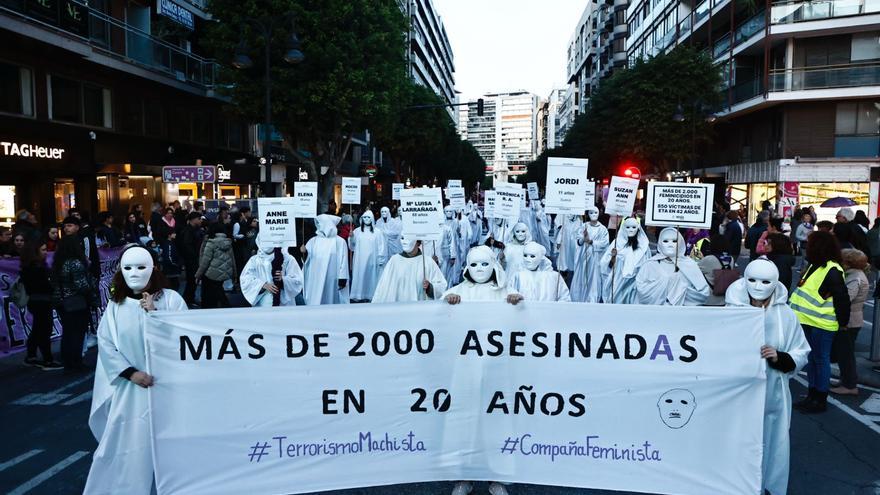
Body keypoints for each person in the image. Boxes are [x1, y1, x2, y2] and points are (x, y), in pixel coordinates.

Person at [85, 245, 187, 495]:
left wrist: (155, 314)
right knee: (126, 447)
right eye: (128, 268)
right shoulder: (115, 306)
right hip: (130, 392)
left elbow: (183, 339)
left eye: (141, 267)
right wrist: (131, 373)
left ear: (153, 269)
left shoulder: (171, 300)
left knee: (171, 448)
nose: (134, 274)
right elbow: (107, 344)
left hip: (168, 388)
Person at [725, 259, 810, 495]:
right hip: (738, 391)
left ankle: (767, 485)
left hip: (772, 392)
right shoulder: (730, 312)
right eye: (753, 280)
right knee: (736, 439)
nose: (759, 287)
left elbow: (801, 350)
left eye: (765, 282)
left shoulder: (786, 315)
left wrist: (780, 357)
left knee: (771, 441)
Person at [444, 245, 522, 495]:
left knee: (496, 421)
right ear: (467, 266)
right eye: (474, 264)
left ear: (493, 265)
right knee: (464, 421)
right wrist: (448, 303)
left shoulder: (507, 292)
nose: (479, 270)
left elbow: (525, 321)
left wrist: (516, 304)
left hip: (497, 369)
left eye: (484, 264)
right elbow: (439, 318)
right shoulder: (457, 291)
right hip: (465, 369)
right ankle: (463, 476)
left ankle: (497, 477)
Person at [791, 231, 850, 413]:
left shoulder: (832, 270)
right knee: (812, 359)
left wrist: (843, 322)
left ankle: (820, 398)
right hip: (807, 321)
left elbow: (842, 298)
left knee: (820, 359)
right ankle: (812, 394)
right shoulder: (815, 265)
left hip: (822, 323)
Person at [52, 235, 97, 371]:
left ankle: (68, 361)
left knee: (67, 333)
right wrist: (91, 288)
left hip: (61, 301)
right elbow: (81, 285)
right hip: (76, 301)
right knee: (78, 332)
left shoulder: (58, 262)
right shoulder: (76, 263)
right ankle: (76, 361)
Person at [636, 227, 710, 306]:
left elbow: (703, 293)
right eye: (665, 241)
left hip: (681, 315)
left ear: (680, 243)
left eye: (674, 241)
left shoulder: (690, 265)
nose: (670, 244)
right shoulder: (649, 265)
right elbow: (641, 290)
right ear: (660, 243)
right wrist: (663, 284)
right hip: (655, 314)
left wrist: (681, 290)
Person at [830, 248, 869, 396]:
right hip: (852, 319)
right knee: (843, 353)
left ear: (848, 262)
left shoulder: (855, 277)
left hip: (849, 321)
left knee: (845, 354)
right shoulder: (855, 275)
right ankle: (846, 380)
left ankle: (850, 385)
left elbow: (846, 298)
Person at [20, 240, 61, 370]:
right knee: (44, 330)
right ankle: (47, 359)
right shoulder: (36, 269)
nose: (46, 253)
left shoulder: (29, 267)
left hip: (36, 301)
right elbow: (43, 286)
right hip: (42, 301)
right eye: (43, 250)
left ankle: (31, 355)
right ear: (35, 252)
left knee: (38, 328)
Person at [372, 234, 447, 303]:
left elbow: (441, 287)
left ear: (418, 243)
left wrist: (429, 287)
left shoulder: (427, 262)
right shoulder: (394, 261)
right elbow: (383, 288)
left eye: (409, 238)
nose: (405, 241)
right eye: (403, 238)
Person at [240, 235, 304, 307]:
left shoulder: (287, 258)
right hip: (263, 304)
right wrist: (262, 285)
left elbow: (297, 280)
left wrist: (283, 280)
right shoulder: (254, 260)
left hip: (284, 304)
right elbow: (245, 279)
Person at [301, 214, 349, 305]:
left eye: (320, 223)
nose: (318, 225)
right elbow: (306, 261)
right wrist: (304, 253)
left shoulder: (339, 241)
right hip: (316, 277)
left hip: (332, 278)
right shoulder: (313, 241)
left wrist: (342, 277)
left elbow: (344, 261)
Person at [600, 217, 650, 304]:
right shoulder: (617, 244)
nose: (631, 230)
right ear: (623, 228)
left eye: (633, 227)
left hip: (635, 286)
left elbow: (648, 267)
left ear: (638, 228)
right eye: (628, 227)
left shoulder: (644, 247)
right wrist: (613, 257)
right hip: (618, 283)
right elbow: (606, 265)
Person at [570, 207, 610, 303]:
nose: (593, 214)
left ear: (599, 213)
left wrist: (592, 242)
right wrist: (583, 239)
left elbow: (605, 243)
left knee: (594, 279)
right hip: (583, 257)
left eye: (595, 212)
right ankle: (579, 296)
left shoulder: (603, 229)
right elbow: (577, 241)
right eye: (591, 212)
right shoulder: (583, 226)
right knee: (582, 276)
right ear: (588, 214)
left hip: (596, 258)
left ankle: (592, 298)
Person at [194, 223, 235, 309]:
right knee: (218, 290)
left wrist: (198, 275)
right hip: (224, 272)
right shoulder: (228, 242)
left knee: (210, 294)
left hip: (211, 273)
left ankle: (222, 307)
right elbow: (232, 259)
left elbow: (205, 261)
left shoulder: (211, 242)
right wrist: (235, 274)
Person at [349, 210, 387, 302]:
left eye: (368, 217)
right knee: (360, 276)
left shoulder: (377, 232)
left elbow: (382, 246)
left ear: (372, 219)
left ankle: (371, 295)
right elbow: (352, 246)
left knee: (371, 278)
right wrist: (351, 237)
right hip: (359, 260)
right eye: (364, 217)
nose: (366, 219)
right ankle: (359, 295)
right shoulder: (357, 231)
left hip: (372, 259)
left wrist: (380, 258)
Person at [697, 235, 734, 306]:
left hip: (709, 300)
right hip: (725, 299)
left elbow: (695, 270)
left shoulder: (709, 259)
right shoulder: (731, 259)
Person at [178, 212, 203, 307]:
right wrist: (195, 256)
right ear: (193, 219)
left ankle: (189, 298)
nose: (200, 221)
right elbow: (187, 246)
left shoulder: (195, 230)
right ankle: (188, 299)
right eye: (199, 219)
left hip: (193, 258)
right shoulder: (187, 231)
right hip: (191, 259)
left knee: (193, 281)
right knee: (192, 280)